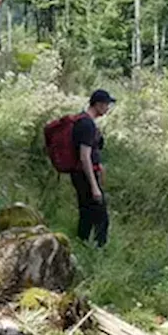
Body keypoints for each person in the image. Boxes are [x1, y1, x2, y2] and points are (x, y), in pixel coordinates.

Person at [72, 89, 116, 247]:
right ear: (98, 104)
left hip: (81, 174)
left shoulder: (84, 120)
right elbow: (84, 156)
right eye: (106, 104)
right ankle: (99, 250)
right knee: (101, 217)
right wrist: (94, 186)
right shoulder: (86, 124)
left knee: (87, 214)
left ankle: (81, 243)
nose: (107, 108)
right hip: (85, 175)